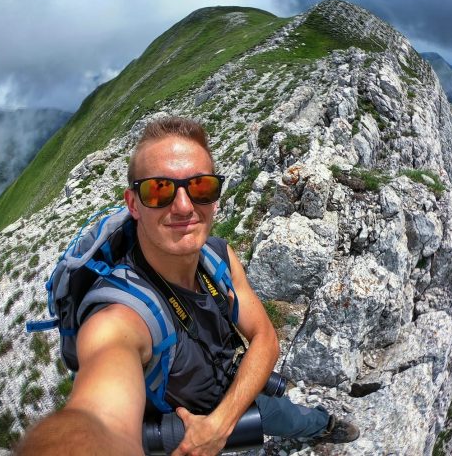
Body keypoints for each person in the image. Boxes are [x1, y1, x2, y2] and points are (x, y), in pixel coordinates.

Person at [18, 117, 358, 455]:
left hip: (231, 395)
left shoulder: (217, 256)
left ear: (215, 198)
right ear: (133, 203)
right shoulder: (120, 318)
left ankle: (323, 426)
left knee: (289, 415)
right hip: (178, 434)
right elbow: (98, 419)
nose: (184, 206)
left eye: (200, 187)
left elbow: (265, 338)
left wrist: (218, 426)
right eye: (159, 190)